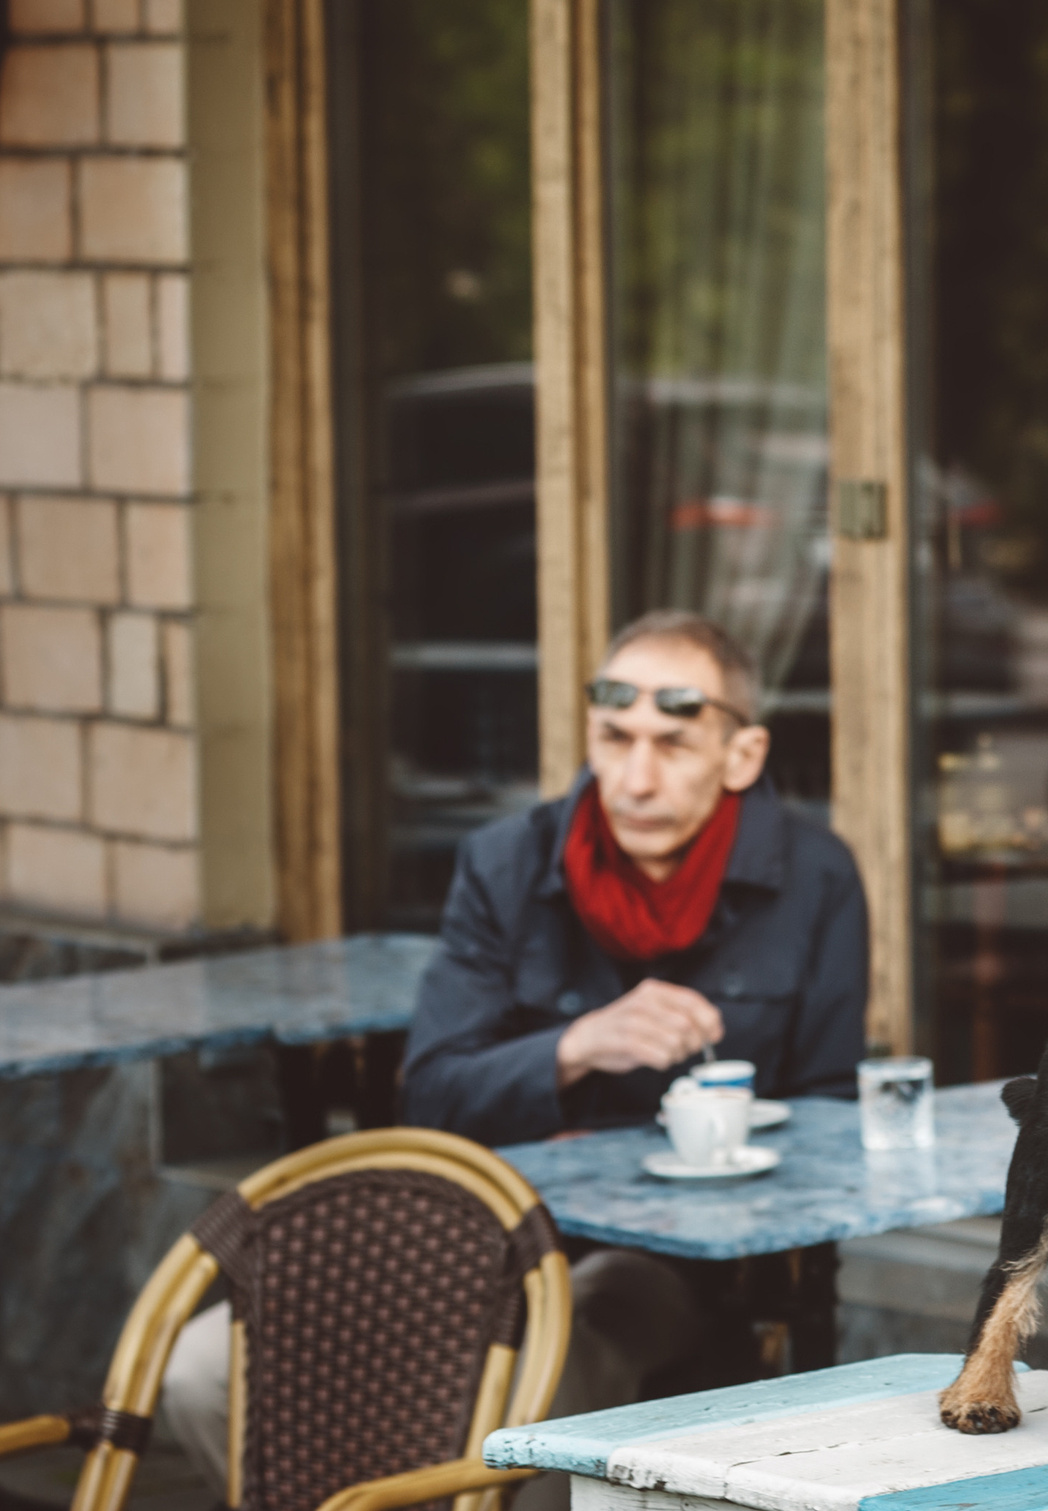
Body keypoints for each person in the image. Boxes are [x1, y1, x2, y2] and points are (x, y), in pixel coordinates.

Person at [161, 610, 869, 1499]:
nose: (635, 778)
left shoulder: (816, 878)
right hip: (467, 1233)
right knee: (201, 1368)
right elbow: (431, 1095)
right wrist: (574, 1046)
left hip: (661, 1263)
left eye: (674, 745)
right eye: (615, 738)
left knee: (546, 1386)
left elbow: (834, 1121)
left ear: (743, 757)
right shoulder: (506, 863)